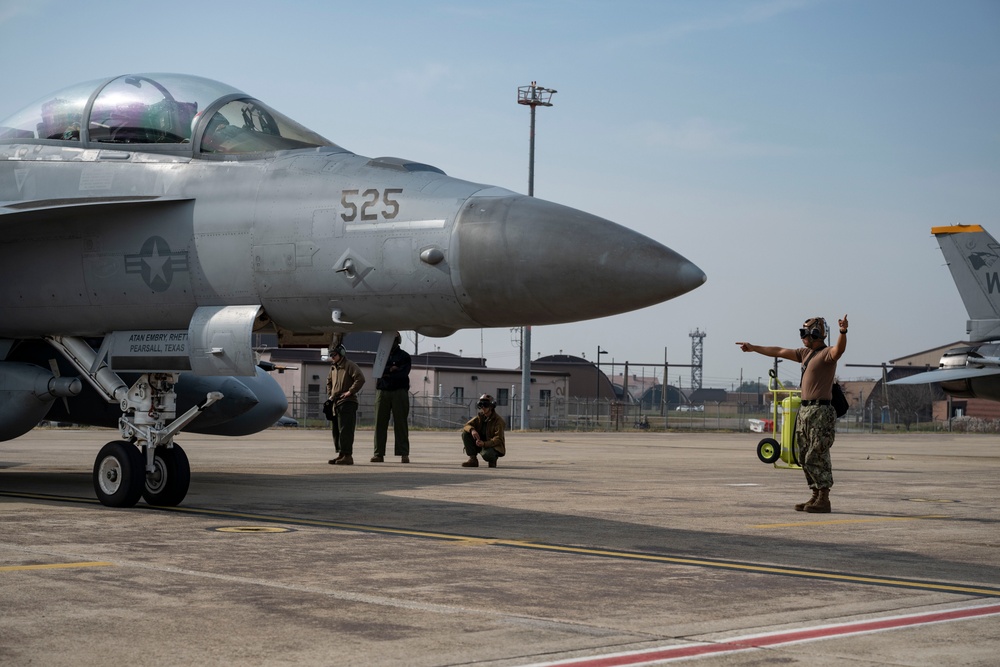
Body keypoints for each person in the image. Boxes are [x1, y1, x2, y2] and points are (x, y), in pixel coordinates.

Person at [736, 315, 848, 513]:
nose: (803, 337)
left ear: (816, 334)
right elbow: (778, 351)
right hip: (805, 410)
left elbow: (839, 350)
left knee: (817, 453)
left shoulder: (826, 354)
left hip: (821, 410)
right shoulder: (805, 354)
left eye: (805, 333)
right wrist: (753, 347)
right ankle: (814, 494)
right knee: (804, 454)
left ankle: (824, 497)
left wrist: (843, 332)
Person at [371, 332, 412, 463]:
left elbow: (403, 373)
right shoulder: (380, 356)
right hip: (382, 391)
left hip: (399, 391)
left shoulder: (404, 356)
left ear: (397, 341)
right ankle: (378, 453)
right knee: (379, 423)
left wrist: (388, 372)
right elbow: (377, 372)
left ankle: (403, 453)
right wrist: (392, 369)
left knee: (401, 423)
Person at [326, 344, 365, 465]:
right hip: (336, 403)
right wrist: (330, 395)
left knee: (345, 430)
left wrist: (350, 392)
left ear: (341, 353)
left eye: (334, 355)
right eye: (331, 355)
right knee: (336, 431)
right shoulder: (333, 367)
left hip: (347, 403)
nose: (332, 357)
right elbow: (329, 382)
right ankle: (341, 454)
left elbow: (360, 378)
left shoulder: (349, 365)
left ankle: (348, 455)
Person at [461, 394, 506, 468]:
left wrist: (484, 444)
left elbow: (498, 439)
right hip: (480, 443)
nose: (483, 408)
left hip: (492, 446)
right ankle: (473, 460)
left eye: (485, 405)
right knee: (465, 433)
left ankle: (492, 460)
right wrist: (472, 430)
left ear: (491, 406)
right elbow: (466, 426)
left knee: (487, 455)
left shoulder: (498, 421)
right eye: (481, 405)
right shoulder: (480, 417)